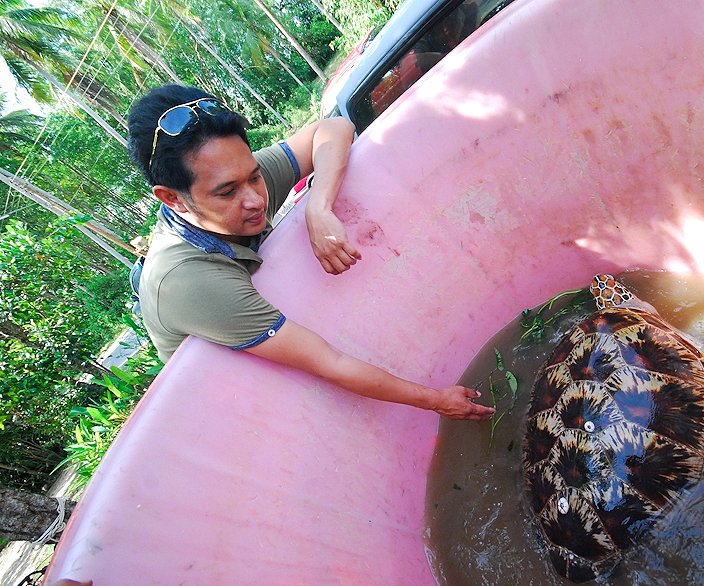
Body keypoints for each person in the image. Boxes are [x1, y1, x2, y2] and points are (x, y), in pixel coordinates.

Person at [128, 85, 492, 421]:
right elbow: (329, 362)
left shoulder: (236, 182)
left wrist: (318, 206)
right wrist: (438, 401)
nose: (255, 199)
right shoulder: (188, 282)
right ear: (173, 198)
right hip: (239, 410)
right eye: (228, 193)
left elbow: (332, 129)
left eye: (254, 176)